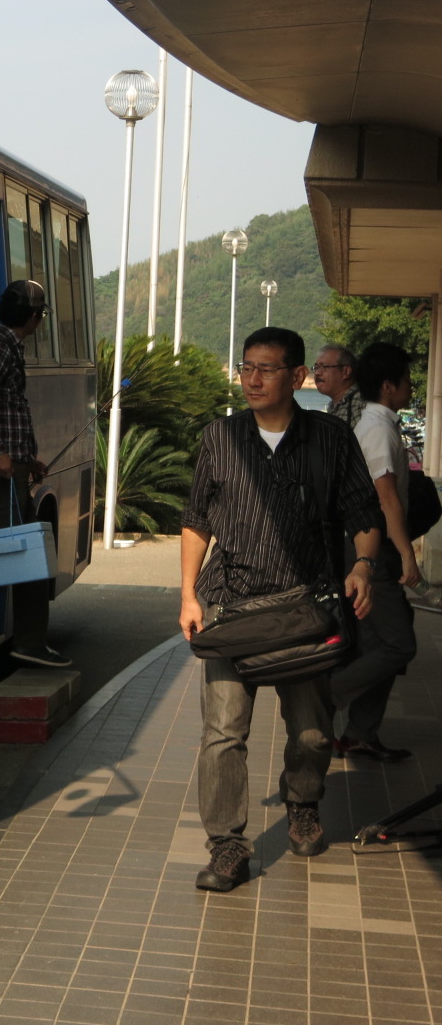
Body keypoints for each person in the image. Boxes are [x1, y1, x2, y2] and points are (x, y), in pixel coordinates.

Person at [179, 326, 383, 892]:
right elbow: (197, 519)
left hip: (305, 609)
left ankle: (303, 802)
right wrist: (188, 595)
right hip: (231, 607)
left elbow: (363, 512)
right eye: (246, 367)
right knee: (223, 733)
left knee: (313, 733)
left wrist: (364, 566)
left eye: (266, 369)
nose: (252, 379)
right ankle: (226, 846)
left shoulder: (330, 438)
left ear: (297, 377)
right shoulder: (220, 437)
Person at [331, 341, 420, 761]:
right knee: (400, 645)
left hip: (363, 547)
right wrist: (407, 554)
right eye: (406, 380)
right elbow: (387, 500)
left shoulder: (373, 423)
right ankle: (324, 697)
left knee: (376, 644)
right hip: (371, 551)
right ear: (388, 385)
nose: (411, 387)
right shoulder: (378, 429)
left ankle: (360, 733)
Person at [0, 279, 69, 668]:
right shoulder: (0, 348)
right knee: (12, 555)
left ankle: (25, 638)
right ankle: (8, 635)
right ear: (33, 317)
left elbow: (7, 408)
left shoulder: (9, 346)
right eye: (40, 314)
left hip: (16, 468)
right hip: (3, 473)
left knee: (28, 555)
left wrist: (30, 460)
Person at [313, 342, 365, 427]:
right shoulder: (334, 405)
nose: (317, 373)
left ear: (346, 372)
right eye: (316, 367)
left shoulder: (359, 402)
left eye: (324, 367)